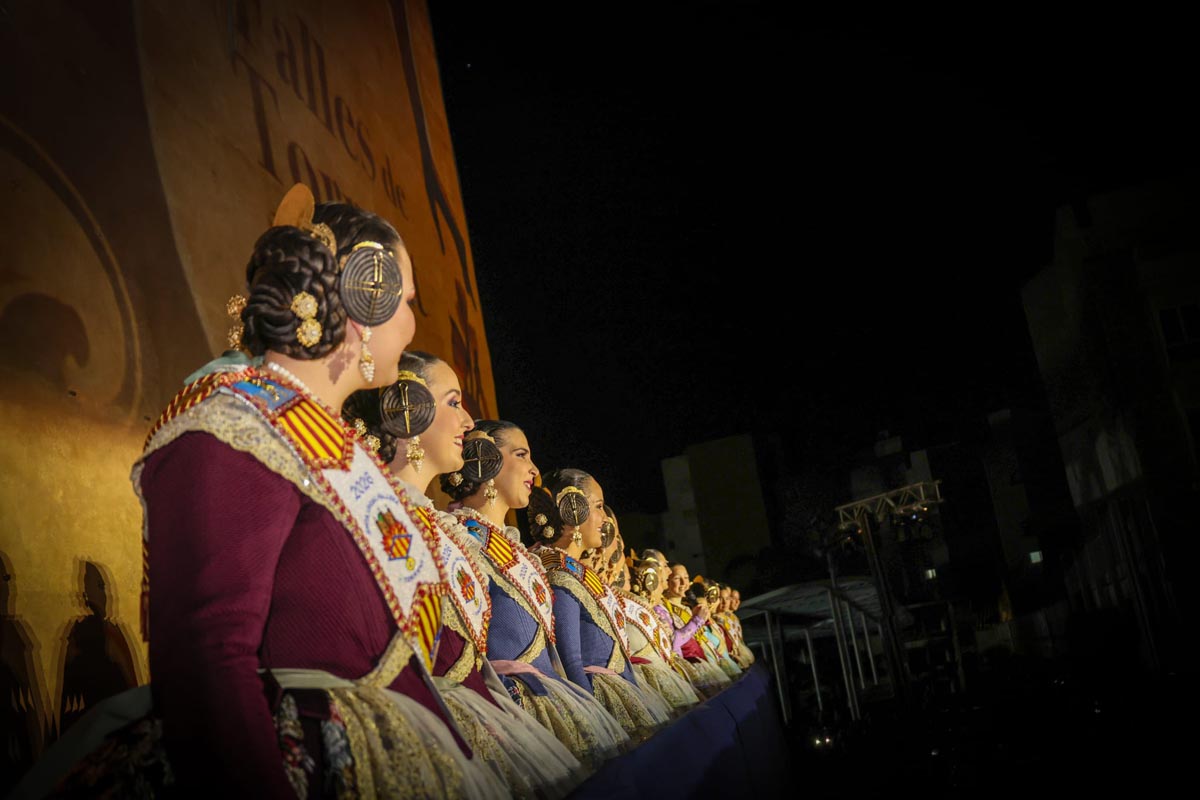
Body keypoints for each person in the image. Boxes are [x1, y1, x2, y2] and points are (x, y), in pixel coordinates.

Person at [16, 185, 503, 798]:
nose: (411, 320)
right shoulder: (231, 430)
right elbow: (207, 663)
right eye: (406, 300)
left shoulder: (340, 452)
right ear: (362, 297)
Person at [344, 353, 582, 798]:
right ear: (408, 407)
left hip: (481, 708)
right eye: (454, 402)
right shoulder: (374, 510)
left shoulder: (440, 527)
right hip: (432, 719)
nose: (468, 421)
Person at [441, 420, 629, 770]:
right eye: (522, 454)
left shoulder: (517, 551)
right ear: (486, 459)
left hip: (546, 697)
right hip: (509, 704)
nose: (534, 469)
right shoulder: (457, 536)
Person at [527, 469, 672, 743]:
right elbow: (570, 662)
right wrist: (594, 720)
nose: (604, 518)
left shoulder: (575, 572)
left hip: (617, 687)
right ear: (572, 509)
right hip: (597, 696)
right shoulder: (557, 573)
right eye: (597, 507)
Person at [616, 542, 701, 713]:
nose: (668, 572)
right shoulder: (651, 608)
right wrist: (697, 621)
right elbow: (673, 644)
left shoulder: (658, 607)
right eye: (665, 566)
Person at [660, 561, 731, 695]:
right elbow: (673, 641)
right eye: (677, 578)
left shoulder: (687, 608)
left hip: (702, 661)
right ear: (666, 581)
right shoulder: (663, 609)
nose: (683, 583)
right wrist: (696, 620)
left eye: (686, 578)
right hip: (686, 666)